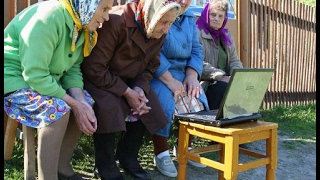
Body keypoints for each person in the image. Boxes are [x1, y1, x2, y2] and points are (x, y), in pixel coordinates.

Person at [4, 0, 114, 179]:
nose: (107, 17)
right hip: (14, 80)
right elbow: (35, 75)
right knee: (59, 110)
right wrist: (73, 104)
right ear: (89, 4)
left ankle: (62, 167)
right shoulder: (48, 19)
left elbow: (72, 68)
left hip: (45, 80)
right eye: (104, 9)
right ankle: (47, 176)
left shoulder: (80, 23)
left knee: (86, 103)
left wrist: (80, 101)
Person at [80, 0, 181, 179]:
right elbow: (94, 68)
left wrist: (139, 88)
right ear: (151, 14)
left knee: (146, 102)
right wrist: (127, 92)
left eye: (170, 23)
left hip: (132, 81)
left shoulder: (157, 29)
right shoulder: (116, 21)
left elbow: (152, 66)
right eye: (164, 22)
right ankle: (105, 163)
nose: (166, 29)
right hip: (101, 80)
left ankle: (128, 156)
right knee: (109, 106)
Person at [149, 0, 210, 177]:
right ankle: (161, 152)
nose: (184, 2)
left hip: (184, 73)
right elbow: (152, 50)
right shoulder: (160, 13)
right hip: (159, 72)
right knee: (165, 101)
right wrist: (168, 80)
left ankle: (185, 147)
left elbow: (197, 50)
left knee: (195, 97)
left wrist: (192, 76)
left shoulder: (189, 18)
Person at [196, 0, 243, 110]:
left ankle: (245, 121)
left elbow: (234, 60)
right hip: (205, 84)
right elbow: (197, 63)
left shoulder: (226, 36)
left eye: (220, 16)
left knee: (246, 87)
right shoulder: (197, 33)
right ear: (206, 14)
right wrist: (221, 76)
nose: (216, 18)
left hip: (225, 81)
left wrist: (237, 78)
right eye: (213, 14)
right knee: (223, 88)